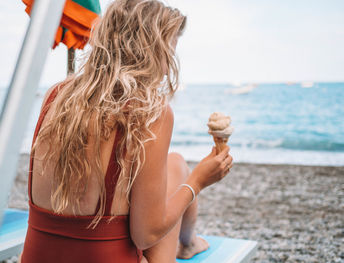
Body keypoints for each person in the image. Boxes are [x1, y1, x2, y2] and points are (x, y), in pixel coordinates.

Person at [20, 0, 233, 262]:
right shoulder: (151, 112)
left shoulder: (55, 96)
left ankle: (188, 243)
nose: (167, 70)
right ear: (150, 51)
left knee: (169, 164)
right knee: (178, 167)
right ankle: (188, 244)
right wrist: (198, 180)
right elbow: (146, 234)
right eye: (169, 53)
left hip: (37, 258)